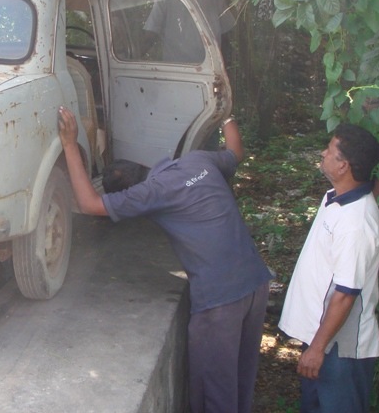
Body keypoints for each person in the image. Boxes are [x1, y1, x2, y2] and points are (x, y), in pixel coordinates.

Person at [57, 106, 273, 413]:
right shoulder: (197, 160)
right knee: (238, 383)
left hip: (220, 301)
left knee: (215, 395)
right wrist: (225, 112)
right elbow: (235, 151)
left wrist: (69, 144)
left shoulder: (150, 193)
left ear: (132, 192)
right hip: (255, 284)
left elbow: (89, 203)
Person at [278, 124, 379, 412]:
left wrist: (316, 349)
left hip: (340, 349)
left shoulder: (355, 223)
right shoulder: (339, 197)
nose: (323, 153)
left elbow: (345, 294)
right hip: (323, 340)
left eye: (330, 149)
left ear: (344, 166)